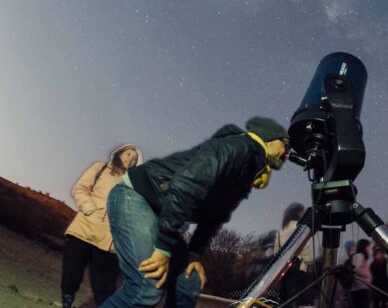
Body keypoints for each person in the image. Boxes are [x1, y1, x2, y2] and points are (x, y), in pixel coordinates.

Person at [99, 117, 290, 308]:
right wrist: (163, 247)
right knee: (145, 287)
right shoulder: (238, 147)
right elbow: (187, 185)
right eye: (285, 145)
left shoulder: (250, 169)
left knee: (188, 283)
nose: (287, 154)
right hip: (138, 196)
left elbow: (216, 216)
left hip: (163, 211)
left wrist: (194, 254)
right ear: (269, 137)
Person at [62, 144, 143, 308]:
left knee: (104, 286)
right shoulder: (100, 168)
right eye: (128, 154)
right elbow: (80, 189)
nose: (130, 159)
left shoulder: (132, 184)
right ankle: (66, 303)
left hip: (109, 240)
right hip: (83, 229)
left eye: (134, 159)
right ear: (119, 153)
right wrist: (91, 210)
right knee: (71, 273)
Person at [274, 203, 313, 308]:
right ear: (298, 213)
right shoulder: (299, 226)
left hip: (283, 267)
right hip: (297, 266)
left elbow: (276, 251)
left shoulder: (281, 229)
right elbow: (304, 246)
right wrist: (309, 262)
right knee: (294, 296)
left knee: (284, 297)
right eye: (302, 212)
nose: (304, 214)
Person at [348, 239, 372, 308]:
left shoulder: (359, 256)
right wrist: (368, 276)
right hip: (360, 286)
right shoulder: (360, 255)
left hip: (361, 286)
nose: (369, 248)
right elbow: (357, 268)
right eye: (368, 246)